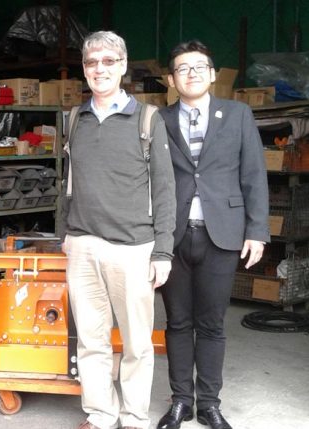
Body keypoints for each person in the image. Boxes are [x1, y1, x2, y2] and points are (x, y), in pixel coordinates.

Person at [58, 31, 176, 429]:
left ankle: (135, 417)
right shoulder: (75, 118)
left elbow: (164, 188)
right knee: (91, 340)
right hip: (83, 245)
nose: (100, 69)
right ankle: (101, 414)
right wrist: (66, 235)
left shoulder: (147, 119)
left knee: (137, 344)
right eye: (92, 62)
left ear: (123, 66)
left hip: (133, 248)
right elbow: (67, 181)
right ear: (84, 69)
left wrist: (163, 251)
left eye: (109, 61)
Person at [156, 40, 269, 429]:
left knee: (213, 324)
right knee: (177, 322)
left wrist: (257, 231)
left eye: (199, 67)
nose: (191, 74)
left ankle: (209, 403)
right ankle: (181, 402)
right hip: (173, 236)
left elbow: (253, 174)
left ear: (213, 74)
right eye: (183, 69)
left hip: (223, 234)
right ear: (171, 79)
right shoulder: (159, 120)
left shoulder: (237, 115)